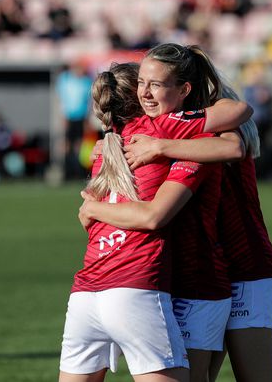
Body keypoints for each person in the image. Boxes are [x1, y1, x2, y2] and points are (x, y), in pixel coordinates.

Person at [62, 59, 251, 381]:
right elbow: (238, 120)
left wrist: (92, 210)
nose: (148, 92)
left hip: (84, 294)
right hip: (135, 287)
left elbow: (89, 219)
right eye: (143, 85)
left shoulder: (106, 148)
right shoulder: (160, 128)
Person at [123, 83, 272, 382]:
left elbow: (231, 139)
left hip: (245, 269)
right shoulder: (195, 136)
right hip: (211, 272)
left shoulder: (217, 139)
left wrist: (159, 146)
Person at [56, 61, 94, 181]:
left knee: (80, 145)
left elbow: (89, 102)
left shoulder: (86, 82)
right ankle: (66, 171)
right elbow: (62, 99)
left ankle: (79, 171)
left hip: (82, 117)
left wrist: (87, 118)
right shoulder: (65, 80)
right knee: (67, 144)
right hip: (69, 117)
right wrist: (63, 116)